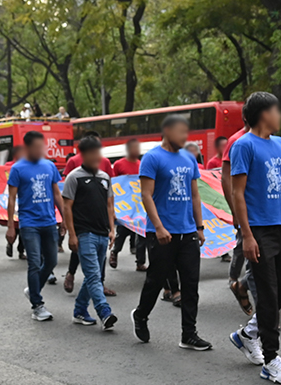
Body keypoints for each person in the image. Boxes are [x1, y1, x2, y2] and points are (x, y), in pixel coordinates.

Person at [228, 93, 281, 383]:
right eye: (276, 110)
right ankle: (271, 360)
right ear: (264, 114)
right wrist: (247, 235)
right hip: (259, 230)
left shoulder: (280, 144)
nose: (280, 115)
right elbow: (238, 193)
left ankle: (248, 333)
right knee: (267, 295)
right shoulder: (243, 146)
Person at [131, 114, 211, 350]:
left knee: (190, 285)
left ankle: (189, 334)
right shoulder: (152, 158)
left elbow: (195, 195)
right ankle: (141, 315)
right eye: (180, 132)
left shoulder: (189, 158)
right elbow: (146, 194)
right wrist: (158, 227)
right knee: (155, 281)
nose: (185, 137)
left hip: (188, 232)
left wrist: (199, 227)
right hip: (162, 233)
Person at [7, 130, 64, 321]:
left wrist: (64, 219)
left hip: (49, 221)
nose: (41, 149)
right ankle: (37, 305)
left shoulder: (49, 165)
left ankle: (33, 290)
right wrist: (11, 226)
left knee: (52, 261)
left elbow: (56, 194)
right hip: (29, 223)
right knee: (34, 263)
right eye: (37, 146)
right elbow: (12, 198)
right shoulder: (17, 169)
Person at [62, 134, 117, 329]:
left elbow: (109, 205)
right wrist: (72, 234)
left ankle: (79, 311)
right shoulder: (74, 177)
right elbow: (67, 207)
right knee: (94, 276)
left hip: (103, 234)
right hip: (85, 234)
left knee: (93, 276)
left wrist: (112, 229)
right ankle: (104, 311)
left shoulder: (104, 178)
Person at [221, 126, 256, 315]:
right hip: (248, 210)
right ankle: (263, 315)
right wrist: (234, 211)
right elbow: (226, 179)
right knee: (249, 251)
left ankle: (241, 284)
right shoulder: (237, 141)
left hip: (266, 212)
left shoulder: (272, 140)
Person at [111, 138, 146, 271]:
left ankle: (140, 262)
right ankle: (115, 252)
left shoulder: (141, 164)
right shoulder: (119, 164)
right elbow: (114, 184)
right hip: (125, 206)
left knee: (142, 233)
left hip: (139, 205)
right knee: (123, 231)